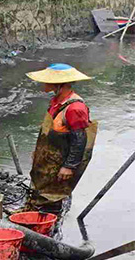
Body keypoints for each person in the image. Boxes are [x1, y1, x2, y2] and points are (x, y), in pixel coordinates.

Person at [23, 63, 98, 213]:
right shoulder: (56, 102)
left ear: (59, 85)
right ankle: (33, 211)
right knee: (39, 186)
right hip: (50, 155)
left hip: (61, 160)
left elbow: (79, 140)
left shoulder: (75, 108)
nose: (44, 84)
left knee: (52, 194)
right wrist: (38, 153)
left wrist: (69, 166)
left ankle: (47, 220)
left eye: (47, 81)